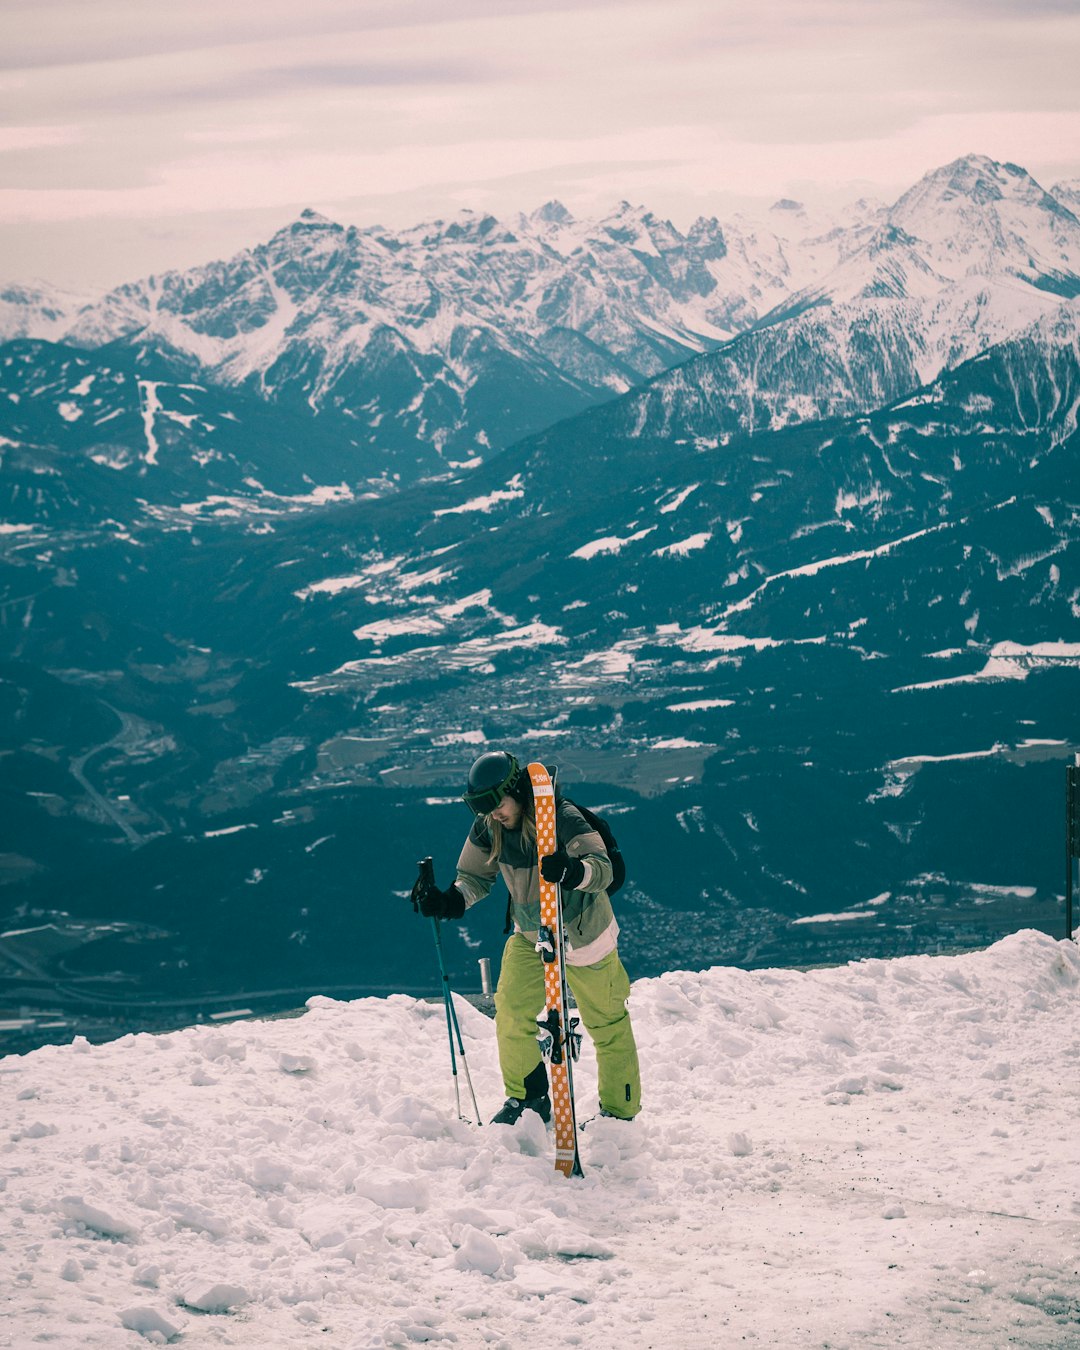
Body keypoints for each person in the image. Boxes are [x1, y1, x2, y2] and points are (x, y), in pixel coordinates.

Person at [417, 750, 641, 1125]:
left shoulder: (562, 818)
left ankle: (619, 1112)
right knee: (511, 1011)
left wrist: (571, 871)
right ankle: (528, 1097)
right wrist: (448, 901)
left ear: (517, 791)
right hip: (531, 935)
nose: (492, 814)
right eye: (481, 808)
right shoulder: (491, 826)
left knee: (606, 1022)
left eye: (497, 804)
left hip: (585, 934)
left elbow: (602, 870)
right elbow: (473, 877)